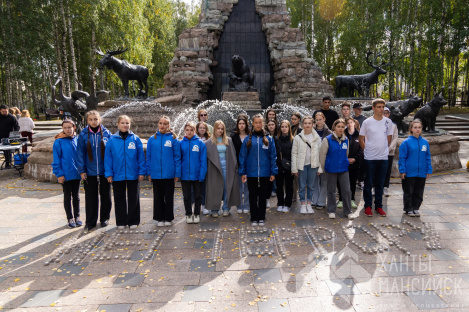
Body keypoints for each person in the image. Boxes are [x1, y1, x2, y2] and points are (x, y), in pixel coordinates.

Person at [105, 115, 146, 230]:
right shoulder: (112, 140)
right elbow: (108, 158)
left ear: (130, 125)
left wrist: (141, 172)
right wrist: (109, 173)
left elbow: (141, 157)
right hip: (117, 174)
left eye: (127, 123)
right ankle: (121, 221)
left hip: (133, 174)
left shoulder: (135, 139)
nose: (125, 125)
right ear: (118, 124)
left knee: (134, 198)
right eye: (122, 123)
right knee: (119, 198)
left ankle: (133, 220)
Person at [76, 110, 112, 233]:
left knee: (106, 196)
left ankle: (104, 218)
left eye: (96, 119)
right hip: (89, 171)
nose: (93, 121)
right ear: (87, 121)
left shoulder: (107, 133)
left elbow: (111, 153)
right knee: (91, 198)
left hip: (104, 171)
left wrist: (110, 171)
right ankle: (90, 221)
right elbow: (80, 154)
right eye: (91, 119)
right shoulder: (83, 134)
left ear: (99, 120)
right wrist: (82, 170)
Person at [239, 114, 277, 226]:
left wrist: (273, 172)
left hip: (265, 173)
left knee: (263, 195)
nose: (258, 124)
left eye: (260, 122)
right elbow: (243, 156)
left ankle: (262, 216)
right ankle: (254, 217)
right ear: (253, 124)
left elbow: (273, 156)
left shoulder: (268, 139)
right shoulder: (248, 139)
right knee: (252, 195)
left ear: (263, 124)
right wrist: (243, 172)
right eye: (256, 122)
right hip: (251, 173)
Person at [359, 98, 393, 217]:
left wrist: (383, 149)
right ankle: (367, 206)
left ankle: (379, 206)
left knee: (380, 183)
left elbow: (388, 138)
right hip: (370, 157)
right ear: (373, 108)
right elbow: (361, 138)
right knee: (368, 182)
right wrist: (366, 150)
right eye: (379, 107)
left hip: (383, 157)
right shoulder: (367, 122)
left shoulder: (388, 122)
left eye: (383, 107)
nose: (381, 109)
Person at [146, 116, 181, 227]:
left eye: (165, 124)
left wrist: (177, 173)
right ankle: (159, 218)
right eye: (160, 123)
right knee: (158, 197)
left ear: (168, 126)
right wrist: (149, 172)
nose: (162, 125)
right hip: (156, 173)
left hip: (169, 174)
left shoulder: (173, 139)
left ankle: (168, 218)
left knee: (169, 197)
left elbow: (177, 157)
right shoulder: (152, 139)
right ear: (158, 124)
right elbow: (149, 157)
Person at [319, 119, 355, 219]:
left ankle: (348, 211)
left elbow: (346, 154)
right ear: (334, 127)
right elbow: (322, 155)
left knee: (347, 190)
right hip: (331, 169)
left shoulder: (346, 139)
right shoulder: (328, 139)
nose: (340, 129)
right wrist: (324, 167)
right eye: (338, 126)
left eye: (342, 127)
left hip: (343, 169)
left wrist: (345, 162)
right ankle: (331, 210)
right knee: (331, 190)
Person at [206, 120, 240, 217]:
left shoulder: (228, 140)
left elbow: (233, 155)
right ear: (214, 129)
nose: (220, 131)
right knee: (215, 188)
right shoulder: (208, 142)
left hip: (227, 167)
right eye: (218, 128)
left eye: (222, 129)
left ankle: (226, 207)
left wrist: (235, 168)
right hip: (214, 168)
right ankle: (215, 209)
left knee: (226, 187)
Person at [398, 119, 432, 217]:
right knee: (409, 191)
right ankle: (408, 208)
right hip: (409, 172)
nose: (417, 129)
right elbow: (402, 158)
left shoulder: (425, 142)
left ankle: (416, 207)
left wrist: (428, 169)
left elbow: (427, 157)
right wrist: (402, 170)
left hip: (421, 172)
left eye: (419, 127)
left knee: (419, 191)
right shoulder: (406, 142)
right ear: (411, 129)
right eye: (415, 127)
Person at [52, 119, 82, 228]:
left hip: (77, 174)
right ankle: (70, 218)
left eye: (69, 127)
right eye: (65, 128)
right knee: (67, 196)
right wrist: (59, 174)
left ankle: (77, 216)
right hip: (65, 174)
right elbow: (56, 159)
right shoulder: (58, 142)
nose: (67, 129)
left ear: (74, 127)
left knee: (76, 196)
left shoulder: (77, 139)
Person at [291, 116, 322, 214]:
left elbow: (320, 153)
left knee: (311, 186)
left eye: (309, 123)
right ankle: (303, 204)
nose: (307, 125)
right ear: (302, 124)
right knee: (302, 186)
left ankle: (309, 203)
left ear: (313, 124)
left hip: (313, 165)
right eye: (305, 123)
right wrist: (294, 168)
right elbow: (294, 153)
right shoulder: (297, 137)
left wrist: (320, 168)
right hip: (302, 165)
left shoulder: (317, 138)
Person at [180, 121, 207, 224]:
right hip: (185, 175)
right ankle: (188, 214)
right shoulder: (181, 143)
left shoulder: (200, 143)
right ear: (184, 131)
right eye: (187, 130)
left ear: (195, 131)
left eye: (191, 130)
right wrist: (179, 173)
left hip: (197, 174)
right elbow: (178, 159)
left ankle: (196, 214)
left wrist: (202, 174)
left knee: (198, 196)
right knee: (186, 196)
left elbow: (203, 160)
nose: (189, 132)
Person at [337, 117, 363, 209]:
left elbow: (361, 149)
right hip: (344, 163)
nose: (349, 124)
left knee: (352, 183)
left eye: (351, 122)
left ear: (354, 123)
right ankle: (340, 199)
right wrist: (346, 159)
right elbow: (339, 148)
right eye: (347, 123)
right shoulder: (342, 135)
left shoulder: (359, 135)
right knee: (341, 182)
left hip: (355, 164)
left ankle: (352, 199)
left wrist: (355, 159)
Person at [311, 112, 332, 210]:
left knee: (324, 181)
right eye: (317, 120)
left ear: (324, 119)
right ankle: (314, 200)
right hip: (314, 159)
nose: (319, 121)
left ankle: (322, 201)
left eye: (320, 119)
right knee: (314, 181)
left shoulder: (329, 133)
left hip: (324, 160)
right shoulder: (312, 131)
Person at [231, 115, 250, 214]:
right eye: (240, 124)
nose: (242, 125)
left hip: (248, 164)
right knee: (238, 187)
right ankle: (239, 206)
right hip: (237, 164)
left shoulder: (250, 136)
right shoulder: (234, 137)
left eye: (243, 124)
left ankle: (246, 205)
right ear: (237, 125)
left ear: (246, 125)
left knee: (247, 187)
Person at [275, 120, 294, 213]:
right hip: (279, 166)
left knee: (289, 186)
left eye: (286, 126)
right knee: (279, 186)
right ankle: (280, 203)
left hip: (289, 166)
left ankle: (287, 204)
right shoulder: (276, 139)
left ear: (289, 128)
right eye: (282, 127)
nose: (284, 128)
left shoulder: (293, 139)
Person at [383, 107, 399, 196]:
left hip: (389, 152)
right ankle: (375, 187)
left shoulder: (393, 125)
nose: (385, 114)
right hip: (379, 152)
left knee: (387, 169)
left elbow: (395, 138)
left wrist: (389, 149)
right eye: (383, 113)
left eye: (386, 113)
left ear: (389, 114)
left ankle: (385, 187)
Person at [196, 121, 211, 214]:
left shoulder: (209, 139)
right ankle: (197, 204)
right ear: (197, 129)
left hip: (206, 164)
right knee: (197, 187)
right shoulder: (194, 138)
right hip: (196, 165)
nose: (202, 129)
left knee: (205, 186)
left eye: (204, 128)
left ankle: (205, 205)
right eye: (200, 127)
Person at [265, 119, 279, 200]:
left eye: (272, 124)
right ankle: (271, 190)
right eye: (269, 125)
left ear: (275, 125)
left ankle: (274, 189)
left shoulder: (278, 135)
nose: (271, 126)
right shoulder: (265, 135)